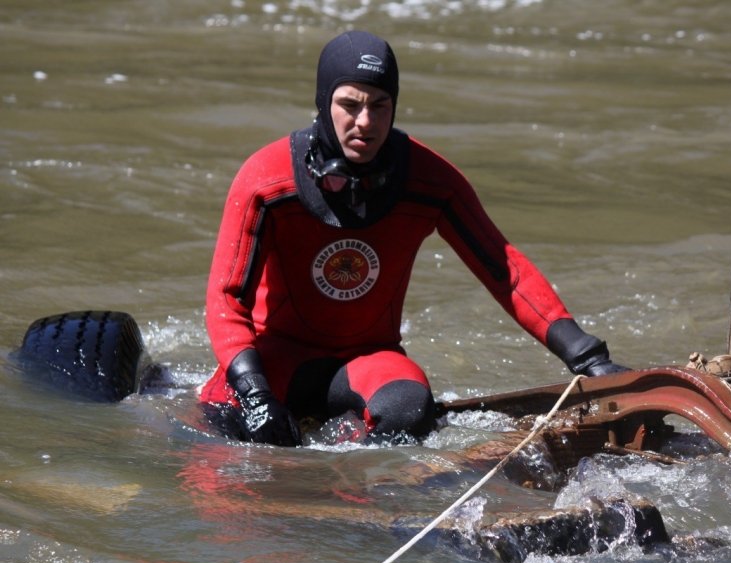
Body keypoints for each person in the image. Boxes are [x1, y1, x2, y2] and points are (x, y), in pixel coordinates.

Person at [199, 31, 626, 446]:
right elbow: (226, 297)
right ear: (323, 103)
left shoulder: (430, 181)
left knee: (410, 411)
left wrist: (588, 360)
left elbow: (505, 271)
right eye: (349, 104)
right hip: (274, 360)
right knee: (224, 426)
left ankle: (356, 500)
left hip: (367, 359)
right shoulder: (267, 181)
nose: (365, 122)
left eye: (380, 106)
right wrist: (254, 394)